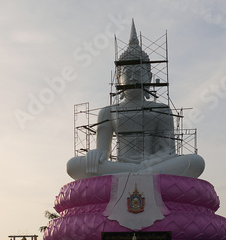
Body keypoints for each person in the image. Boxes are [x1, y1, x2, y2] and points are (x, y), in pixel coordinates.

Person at [66, 22, 204, 180]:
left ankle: (134, 173)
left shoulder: (162, 110)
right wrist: (96, 154)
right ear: (119, 78)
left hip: (151, 165)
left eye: (139, 71)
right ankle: (139, 173)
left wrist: (149, 162)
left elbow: (167, 151)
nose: (133, 76)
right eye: (128, 71)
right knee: (74, 165)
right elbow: (103, 152)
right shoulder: (108, 112)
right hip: (129, 166)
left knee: (196, 161)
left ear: (149, 77)